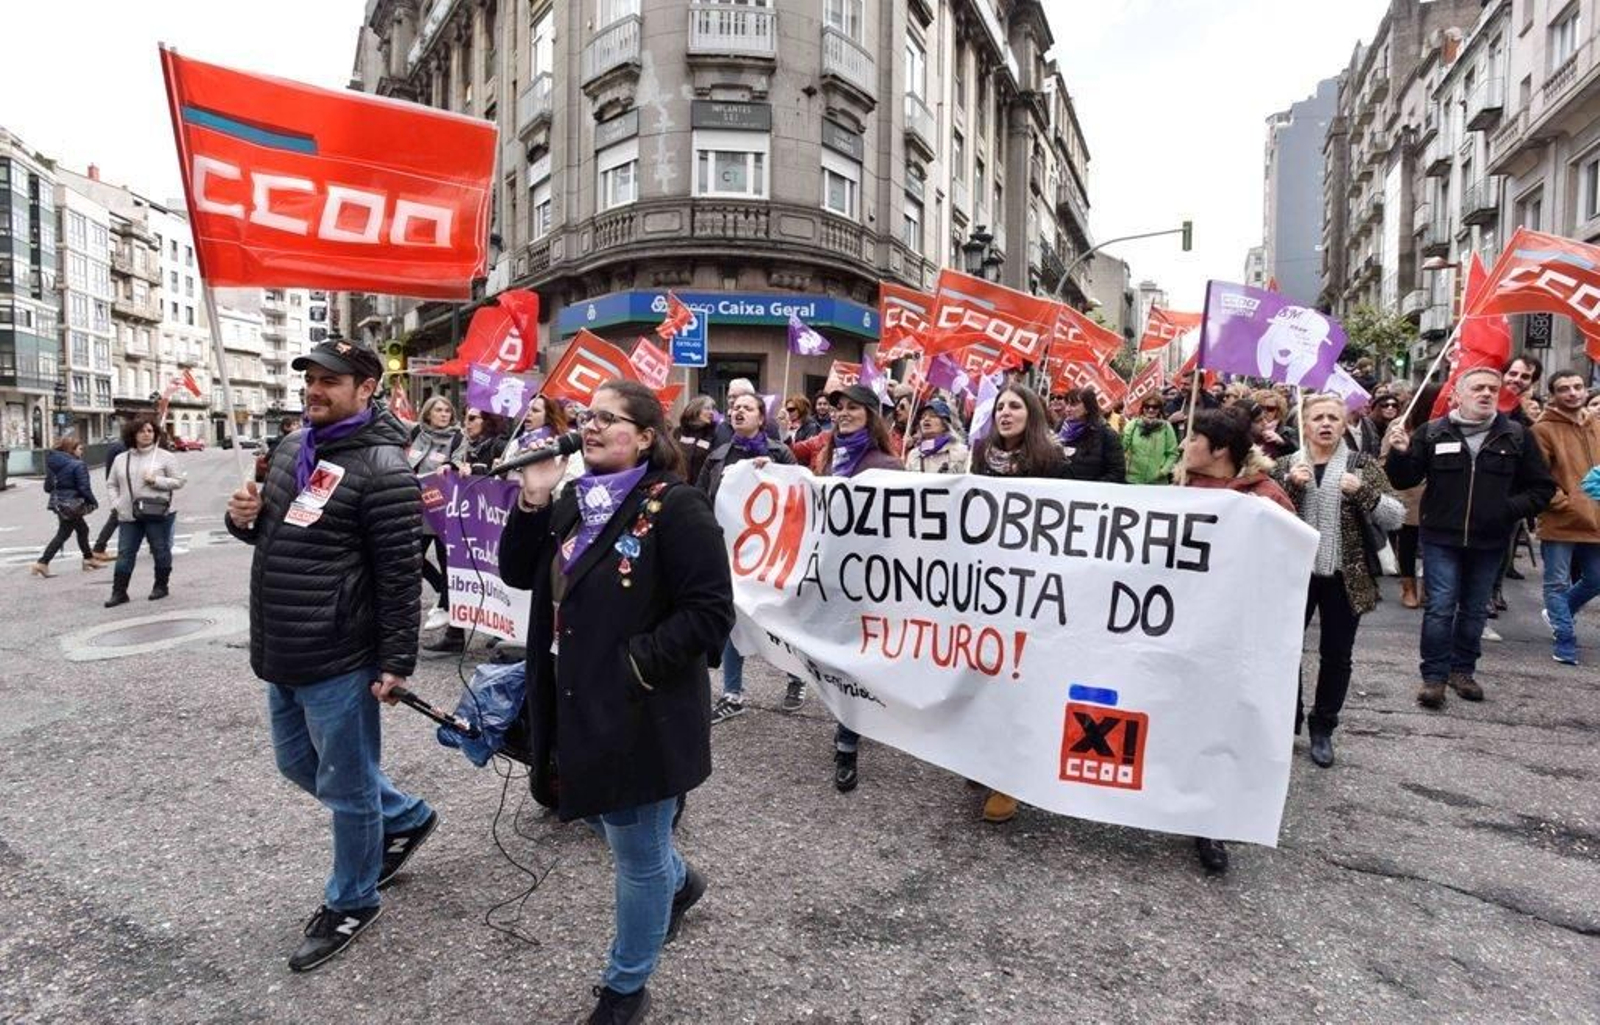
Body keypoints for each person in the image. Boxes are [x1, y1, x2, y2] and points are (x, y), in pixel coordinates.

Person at [498, 379, 734, 1025]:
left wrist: (634, 663)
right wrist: (533, 496)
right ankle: (679, 879)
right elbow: (520, 572)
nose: (590, 426)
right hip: (573, 699)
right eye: (586, 416)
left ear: (645, 436)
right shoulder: (574, 497)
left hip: (640, 711)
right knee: (610, 820)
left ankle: (626, 986)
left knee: (633, 848)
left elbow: (710, 614)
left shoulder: (676, 506)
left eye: (608, 417)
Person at [225, 338, 437, 973]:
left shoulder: (385, 469)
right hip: (284, 645)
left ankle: (353, 899)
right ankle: (405, 815)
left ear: (366, 389)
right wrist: (244, 518)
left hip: (341, 656)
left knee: (345, 790)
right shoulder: (293, 446)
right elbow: (275, 534)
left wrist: (395, 662)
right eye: (311, 378)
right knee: (300, 766)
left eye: (332, 381)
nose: (315, 389)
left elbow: (401, 577)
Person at [1384, 367, 1555, 709]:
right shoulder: (1433, 433)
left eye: (1493, 388)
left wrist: (1506, 509)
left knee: (1475, 610)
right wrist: (1400, 452)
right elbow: (1404, 481)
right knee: (1440, 607)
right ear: (1457, 395)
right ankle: (1433, 677)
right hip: (1440, 538)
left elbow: (1542, 488)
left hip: (1490, 541)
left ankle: (1462, 670)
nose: (1487, 393)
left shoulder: (1516, 436)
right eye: (1478, 388)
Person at [1177, 407, 1294, 875]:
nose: (1184, 447)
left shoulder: (1266, 498)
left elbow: (1289, 562)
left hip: (1232, 637)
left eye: (1192, 439)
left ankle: (1211, 822)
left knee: (1218, 723)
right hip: (1182, 627)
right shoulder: (1180, 492)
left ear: (1220, 449)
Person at [1273, 394, 1404, 768]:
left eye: (1334, 417)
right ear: (1305, 423)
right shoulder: (1285, 465)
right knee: (1284, 652)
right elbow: (1265, 517)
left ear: (1345, 424)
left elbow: (1395, 516)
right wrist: (1291, 486)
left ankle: (1323, 727)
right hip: (1293, 577)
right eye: (1318, 418)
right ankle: (1286, 721)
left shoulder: (1361, 465)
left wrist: (1361, 491)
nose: (1326, 424)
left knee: (1337, 655)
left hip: (1346, 576)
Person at [967, 384, 1064, 823]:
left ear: (1033, 414)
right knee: (983, 674)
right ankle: (983, 758)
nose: (1005, 413)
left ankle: (1010, 779)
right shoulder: (981, 454)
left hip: (1030, 586)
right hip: (984, 581)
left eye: (1015, 406)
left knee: (1019, 679)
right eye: (1000, 406)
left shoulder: (1054, 461)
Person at [818, 384, 906, 794]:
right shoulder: (827, 460)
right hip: (829, 578)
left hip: (869, 583)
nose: (844, 414)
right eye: (839, 408)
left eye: (853, 407)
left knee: (855, 662)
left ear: (871, 415)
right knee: (833, 660)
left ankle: (846, 745)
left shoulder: (887, 466)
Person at [697, 391, 803, 721]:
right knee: (733, 615)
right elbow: (700, 499)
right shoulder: (717, 457)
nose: (738, 411)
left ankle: (796, 679)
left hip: (771, 552)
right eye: (734, 408)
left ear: (761, 417)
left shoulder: (780, 453)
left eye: (747, 407)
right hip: (730, 551)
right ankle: (733, 692)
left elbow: (800, 495)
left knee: (781, 618)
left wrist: (772, 472)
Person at [1531, 370, 1600, 666]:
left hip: (1596, 518)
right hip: (1561, 519)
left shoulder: (1597, 424)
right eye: (1564, 389)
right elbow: (1537, 475)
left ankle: (1558, 614)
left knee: (1596, 578)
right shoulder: (1543, 429)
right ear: (1553, 394)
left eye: (1577, 387)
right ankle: (1566, 638)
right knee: (1556, 582)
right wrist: (1562, 502)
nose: (1572, 393)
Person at [104, 416, 185, 606]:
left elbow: (179, 481)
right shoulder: (121, 459)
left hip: (157, 512)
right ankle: (119, 592)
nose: (147, 434)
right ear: (133, 434)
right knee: (125, 552)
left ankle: (161, 586)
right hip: (128, 514)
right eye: (142, 431)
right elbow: (111, 484)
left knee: (160, 549)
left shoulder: (165, 457)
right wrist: (116, 503)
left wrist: (156, 481)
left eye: (150, 431)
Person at [407, 397, 467, 632]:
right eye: (438, 410)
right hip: (415, 506)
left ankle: (445, 604)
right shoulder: (416, 434)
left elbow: (459, 463)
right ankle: (440, 587)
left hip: (442, 508)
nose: (444, 414)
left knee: (446, 559)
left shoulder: (458, 437)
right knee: (413, 557)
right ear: (428, 413)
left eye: (447, 411)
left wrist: (452, 467)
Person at [1390, 385, 1441, 610]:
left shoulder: (1447, 426)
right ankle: (1408, 586)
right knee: (1408, 542)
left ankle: (1431, 586)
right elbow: (1386, 458)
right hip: (1409, 493)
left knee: (1435, 544)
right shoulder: (1402, 424)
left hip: (1438, 495)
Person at [31, 435, 103, 578]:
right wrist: (93, 501)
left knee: (81, 529)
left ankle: (88, 559)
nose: (82, 452)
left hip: (59, 503)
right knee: (64, 533)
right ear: (72, 450)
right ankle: (42, 562)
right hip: (72, 505)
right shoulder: (78, 464)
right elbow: (84, 488)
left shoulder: (54, 465)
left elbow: (47, 487)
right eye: (80, 449)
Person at [1056, 386, 1126, 483]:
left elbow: (1117, 473)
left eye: (1073, 405)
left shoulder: (1107, 435)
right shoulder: (1060, 430)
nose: (1067, 409)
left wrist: (1091, 488)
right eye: (1067, 404)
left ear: (1088, 408)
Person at [1122, 393, 1180, 484]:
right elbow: (1122, 447)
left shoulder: (1166, 427)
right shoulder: (1133, 425)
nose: (1150, 409)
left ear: (1160, 409)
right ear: (1142, 408)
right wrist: (1121, 431)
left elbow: (1173, 453)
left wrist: (1163, 472)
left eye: (1155, 407)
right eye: (1147, 406)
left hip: (1157, 483)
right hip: (1134, 480)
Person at [903, 398, 970, 474]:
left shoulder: (961, 452)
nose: (926, 419)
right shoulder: (914, 455)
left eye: (933, 416)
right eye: (923, 417)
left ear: (945, 424)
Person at [88, 435, 126, 564]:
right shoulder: (123, 449)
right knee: (116, 517)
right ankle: (99, 547)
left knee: (120, 517)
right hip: (123, 487)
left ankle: (99, 547)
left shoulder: (115, 446)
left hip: (116, 484)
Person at [713, 378, 779, 447]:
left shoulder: (769, 426)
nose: (731, 401)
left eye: (736, 397)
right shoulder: (721, 428)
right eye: (729, 397)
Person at [676, 396, 719, 487]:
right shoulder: (678, 432)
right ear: (695, 410)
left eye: (712, 409)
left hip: (701, 489)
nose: (711, 412)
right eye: (707, 408)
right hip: (677, 487)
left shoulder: (713, 434)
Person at [1247, 392, 1299, 458]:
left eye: (1270, 409)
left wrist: (1282, 442)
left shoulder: (1288, 432)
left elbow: (1296, 454)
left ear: (1278, 411)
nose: (1264, 411)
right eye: (1261, 407)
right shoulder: (1247, 428)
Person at [462, 406, 506, 473]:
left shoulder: (500, 446)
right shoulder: (470, 446)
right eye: (465, 418)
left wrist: (472, 470)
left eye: (471, 418)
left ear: (487, 419)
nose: (466, 423)